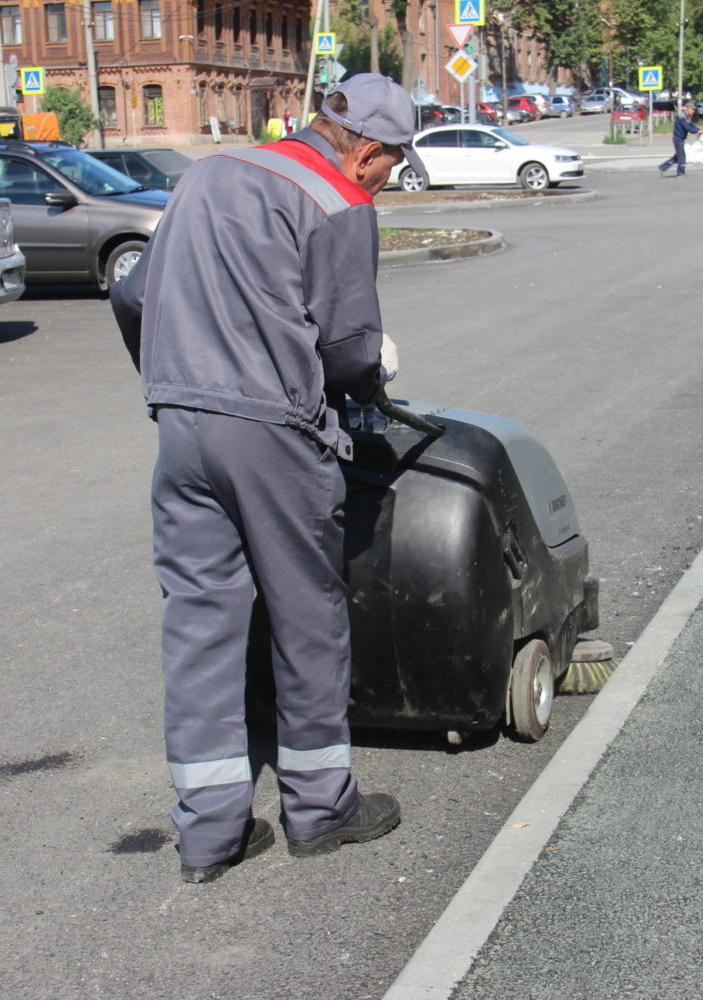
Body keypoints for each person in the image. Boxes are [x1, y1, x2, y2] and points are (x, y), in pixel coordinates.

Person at [110, 74, 423, 884]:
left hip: (181, 425)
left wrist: (177, 377)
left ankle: (210, 834)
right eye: (392, 163)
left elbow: (135, 292)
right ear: (366, 148)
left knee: (200, 619)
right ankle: (320, 810)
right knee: (306, 614)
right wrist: (367, 389)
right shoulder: (337, 199)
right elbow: (350, 347)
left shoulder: (209, 174)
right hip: (271, 432)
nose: (387, 179)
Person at [659, 102, 703, 177]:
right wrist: (696, 131)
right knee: (682, 157)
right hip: (678, 139)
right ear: (688, 109)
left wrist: (699, 129)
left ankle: (663, 167)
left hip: (680, 139)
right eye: (693, 109)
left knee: (677, 157)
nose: (694, 111)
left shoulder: (687, 117)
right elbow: (688, 127)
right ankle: (680, 173)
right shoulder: (682, 118)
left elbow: (691, 125)